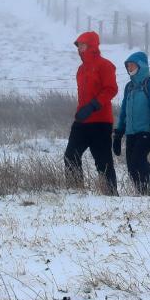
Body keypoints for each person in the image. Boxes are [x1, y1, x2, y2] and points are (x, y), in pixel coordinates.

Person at [64, 31, 119, 194]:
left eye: (83, 44)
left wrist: (93, 105)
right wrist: (81, 111)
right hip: (82, 121)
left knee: (103, 161)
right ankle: (76, 192)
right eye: (78, 45)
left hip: (101, 121)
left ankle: (110, 194)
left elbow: (111, 89)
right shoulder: (81, 69)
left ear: (92, 46)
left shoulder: (105, 65)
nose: (80, 48)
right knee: (70, 155)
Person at [112, 51, 150, 195]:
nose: (129, 68)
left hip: (147, 131)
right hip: (131, 133)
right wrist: (118, 134)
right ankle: (144, 192)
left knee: (138, 160)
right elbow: (124, 111)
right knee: (131, 165)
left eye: (132, 65)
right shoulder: (129, 87)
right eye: (128, 66)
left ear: (141, 66)